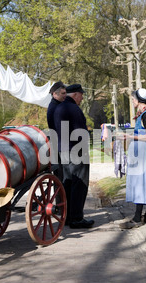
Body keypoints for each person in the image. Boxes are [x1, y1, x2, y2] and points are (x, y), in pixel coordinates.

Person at [120, 88, 146, 229]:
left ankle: (137, 218)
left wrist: (131, 136)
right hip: (143, 152)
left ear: (138, 101)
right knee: (145, 181)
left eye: (133, 99)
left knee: (142, 182)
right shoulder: (144, 113)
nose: (132, 101)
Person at [52, 84, 94, 229]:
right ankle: (76, 218)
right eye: (81, 95)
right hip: (76, 150)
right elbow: (80, 131)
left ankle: (68, 217)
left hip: (63, 150)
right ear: (75, 94)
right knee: (79, 184)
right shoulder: (73, 108)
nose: (82, 98)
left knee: (68, 183)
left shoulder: (59, 108)